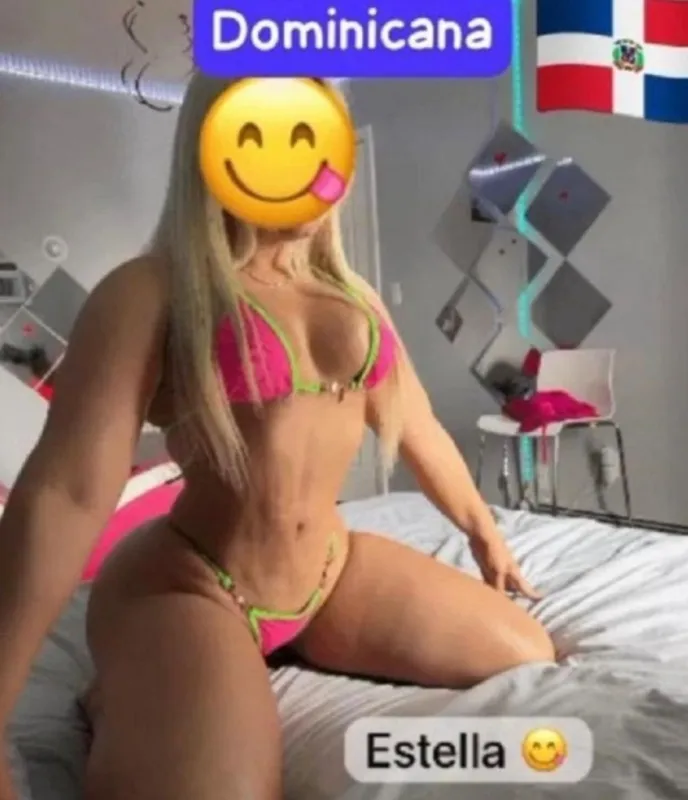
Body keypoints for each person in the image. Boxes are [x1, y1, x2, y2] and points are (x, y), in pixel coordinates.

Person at [0, 74, 554, 800]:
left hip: (327, 572)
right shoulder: (151, 292)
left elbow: (416, 424)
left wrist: (485, 534)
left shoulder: (354, 298)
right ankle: (128, 690)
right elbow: (67, 493)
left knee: (526, 650)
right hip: (195, 582)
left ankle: (205, 675)